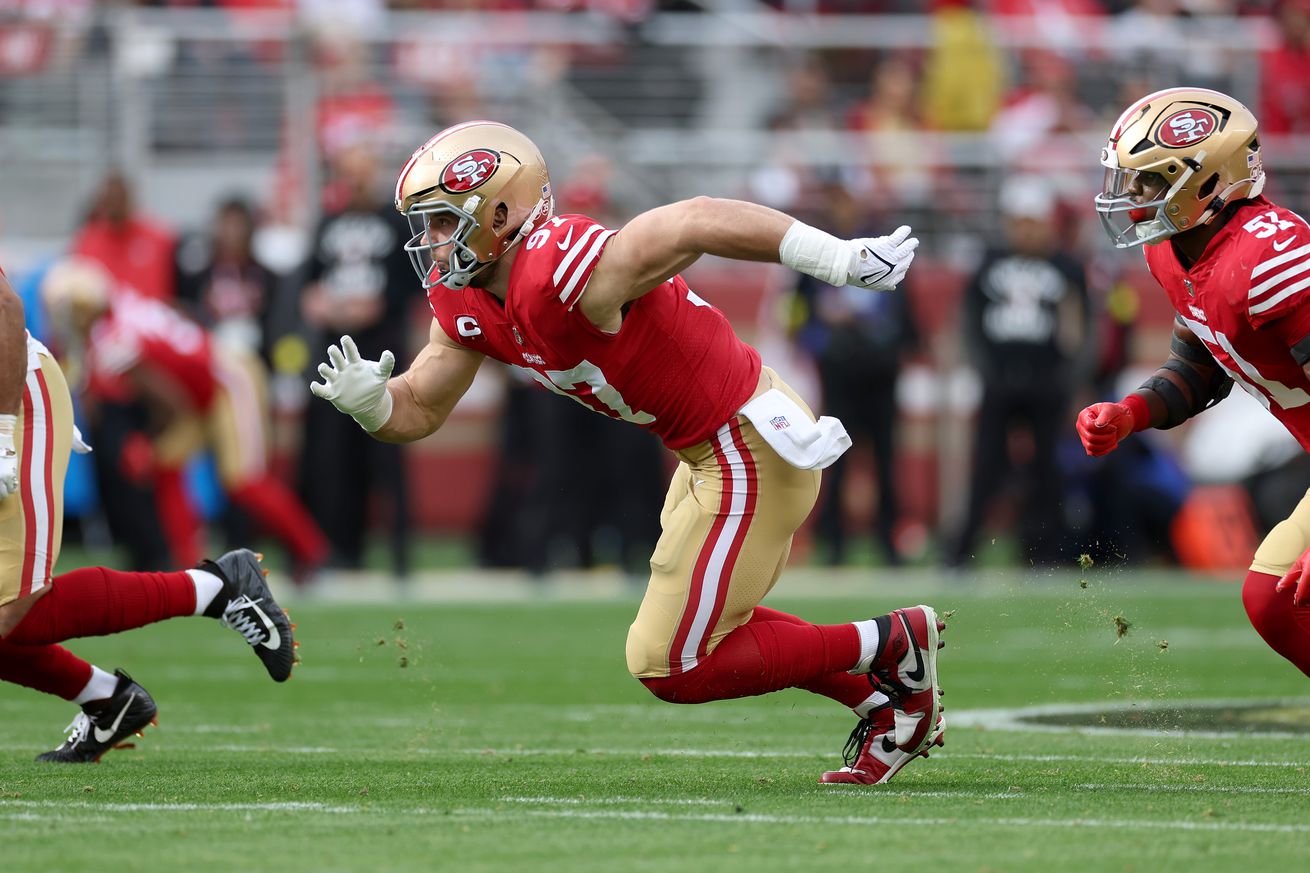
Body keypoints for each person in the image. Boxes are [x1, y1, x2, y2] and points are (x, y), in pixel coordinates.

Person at [310, 121, 946, 785]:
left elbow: (695, 220)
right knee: (697, 634)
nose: (430, 241)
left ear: (499, 211)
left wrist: (837, 261)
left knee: (672, 660)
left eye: (443, 221)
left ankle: (893, 644)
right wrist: (374, 403)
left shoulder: (558, 269)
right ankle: (886, 702)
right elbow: (423, 403)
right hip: (707, 454)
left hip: (747, 446)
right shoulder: (468, 298)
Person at [0, 270, 296, 763]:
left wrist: (3, 425)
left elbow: (6, 307)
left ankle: (217, 588)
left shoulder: (118, 333)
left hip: (13, 400)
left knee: (14, 606)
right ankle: (107, 700)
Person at [1078, 86, 1310, 679]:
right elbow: (1199, 367)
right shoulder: (1176, 253)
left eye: (1151, 182)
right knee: (1275, 599)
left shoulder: (1269, 260)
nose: (1132, 198)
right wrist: (1130, 413)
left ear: (1209, 182)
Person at [40, 258, 328, 580]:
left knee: (243, 481)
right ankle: (190, 566)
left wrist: (149, 436)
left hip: (224, 379)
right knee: (165, 464)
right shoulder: (124, 308)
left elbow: (167, 400)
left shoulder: (113, 338)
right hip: (196, 388)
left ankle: (312, 551)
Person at [947, 175, 1093, 568]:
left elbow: (1085, 327)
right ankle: (963, 553)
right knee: (986, 468)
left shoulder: (1067, 268)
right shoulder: (990, 263)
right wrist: (981, 368)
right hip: (998, 381)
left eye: (1033, 222)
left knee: (1047, 472)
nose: (1026, 231)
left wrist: (1071, 377)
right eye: (1019, 222)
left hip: (1047, 383)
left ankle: (1045, 554)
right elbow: (968, 320)